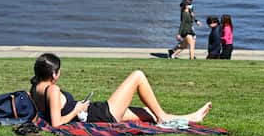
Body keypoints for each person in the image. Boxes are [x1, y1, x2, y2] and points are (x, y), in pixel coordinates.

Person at [28, 52, 211, 127]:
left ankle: (191, 118)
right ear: (54, 74)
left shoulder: (35, 88)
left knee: (148, 113)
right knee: (138, 75)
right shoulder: (52, 90)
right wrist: (76, 109)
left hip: (93, 112)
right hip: (101, 114)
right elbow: (56, 123)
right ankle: (164, 117)